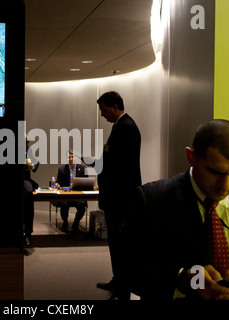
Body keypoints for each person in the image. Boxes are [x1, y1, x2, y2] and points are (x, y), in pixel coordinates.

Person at [123, 119, 229, 300]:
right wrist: (185, 280)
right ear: (191, 157)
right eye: (215, 172)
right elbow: (128, 269)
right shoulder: (152, 201)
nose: (225, 185)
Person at [93, 91, 142, 298]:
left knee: (121, 244)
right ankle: (119, 280)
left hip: (121, 198)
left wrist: (99, 163)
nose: (103, 115)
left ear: (115, 106)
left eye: (104, 110)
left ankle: (123, 286)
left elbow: (120, 167)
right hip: (118, 197)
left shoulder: (126, 127)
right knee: (116, 243)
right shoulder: (121, 127)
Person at [54, 152, 88, 233]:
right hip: (66, 194)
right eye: (69, 157)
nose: (71, 159)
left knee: (82, 205)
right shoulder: (62, 169)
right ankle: (65, 223)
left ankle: (76, 223)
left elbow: (86, 182)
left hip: (78, 195)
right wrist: (57, 184)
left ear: (76, 158)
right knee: (64, 205)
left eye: (72, 157)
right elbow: (59, 183)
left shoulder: (83, 168)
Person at [23, 134, 39, 247]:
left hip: (24, 180)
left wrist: (32, 166)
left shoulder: (28, 150)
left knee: (29, 192)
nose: (26, 145)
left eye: (27, 142)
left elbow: (36, 163)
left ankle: (28, 234)